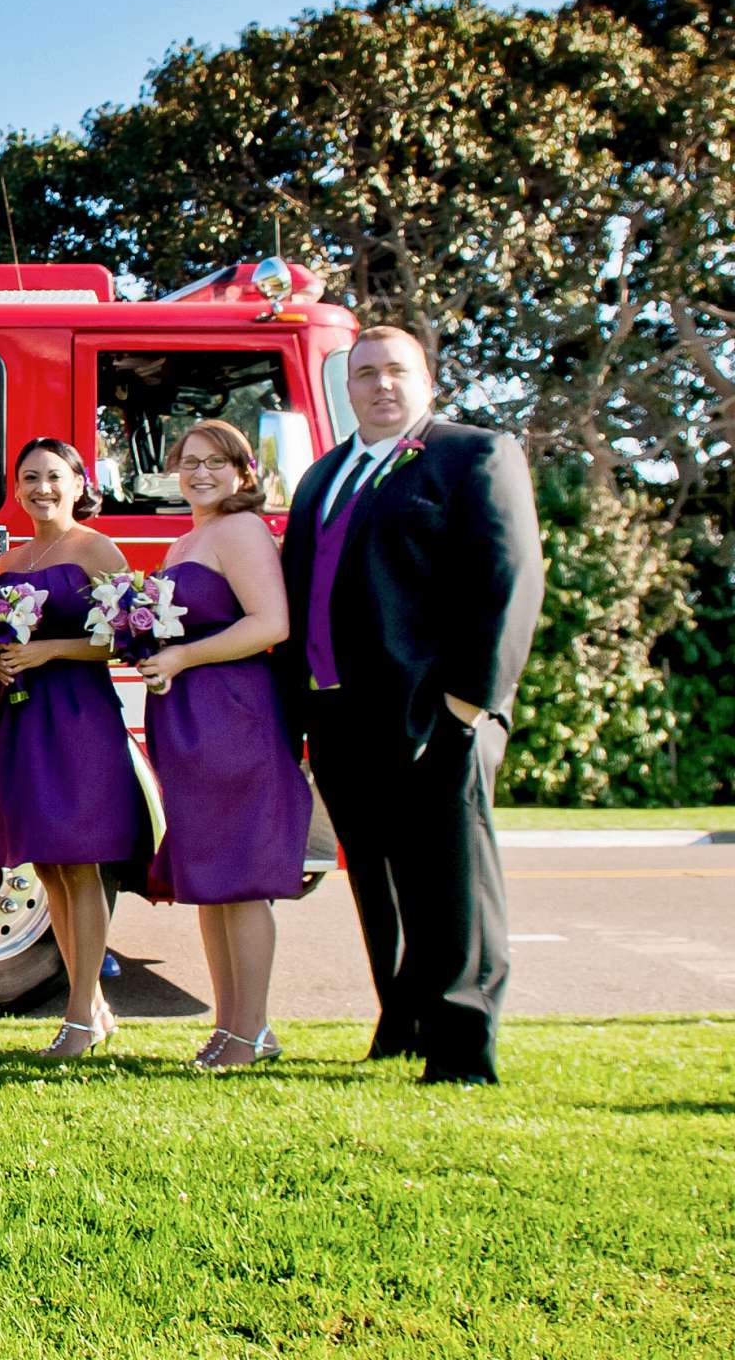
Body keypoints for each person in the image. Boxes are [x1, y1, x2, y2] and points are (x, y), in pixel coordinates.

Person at [277, 327, 541, 1086]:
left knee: (452, 877)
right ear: (347, 387)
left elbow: (508, 581)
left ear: (427, 381)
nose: (381, 385)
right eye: (365, 374)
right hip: (337, 715)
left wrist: (469, 702)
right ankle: (402, 1020)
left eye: (397, 371)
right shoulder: (323, 476)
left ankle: (462, 1045)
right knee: (381, 881)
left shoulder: (475, 455)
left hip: (436, 711)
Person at [132, 420, 310, 1069]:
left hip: (232, 713)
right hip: (186, 720)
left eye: (216, 462)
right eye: (189, 461)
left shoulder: (240, 530)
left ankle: (254, 1029)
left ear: (243, 473)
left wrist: (181, 655)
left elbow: (272, 623)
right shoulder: (186, 543)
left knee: (241, 879)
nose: (200, 473)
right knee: (208, 881)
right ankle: (228, 1028)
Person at [0, 438, 148, 1058]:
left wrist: (52, 650)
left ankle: (79, 1013)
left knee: (81, 863)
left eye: (54, 477)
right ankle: (94, 1008)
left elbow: (132, 635)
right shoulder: (13, 558)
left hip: (79, 718)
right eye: (29, 478)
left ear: (79, 484)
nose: (41, 489)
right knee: (48, 863)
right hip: (26, 719)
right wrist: (1, 661)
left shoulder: (97, 549)